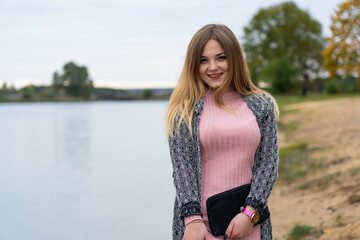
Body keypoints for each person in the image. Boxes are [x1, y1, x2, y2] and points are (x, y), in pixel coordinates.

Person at [165, 24, 279, 240]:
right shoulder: (185, 110)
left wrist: (250, 213)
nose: (213, 67)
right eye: (203, 60)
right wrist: (193, 221)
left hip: (248, 223)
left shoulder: (262, 105)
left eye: (221, 58)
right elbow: (183, 168)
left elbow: (268, 164)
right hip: (200, 229)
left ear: (234, 59)